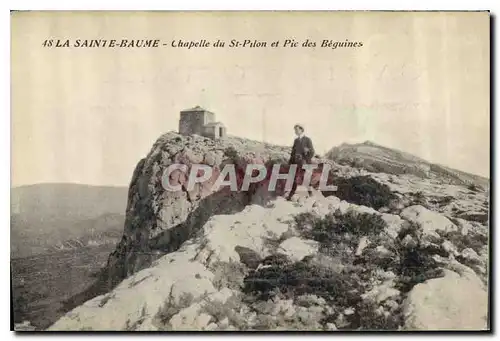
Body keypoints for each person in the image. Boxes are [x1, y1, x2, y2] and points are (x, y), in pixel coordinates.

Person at [288, 124, 315, 200]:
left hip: (304, 163)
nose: (295, 131)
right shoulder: (296, 141)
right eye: (295, 130)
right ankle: (291, 195)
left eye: (297, 130)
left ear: (301, 130)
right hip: (296, 163)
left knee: (305, 178)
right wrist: (290, 163)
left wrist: (307, 156)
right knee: (294, 178)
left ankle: (310, 193)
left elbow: (312, 151)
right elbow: (293, 152)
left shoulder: (307, 140)